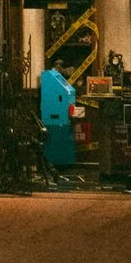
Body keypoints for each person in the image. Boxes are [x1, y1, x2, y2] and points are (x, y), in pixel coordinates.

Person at [38, 52, 79, 180]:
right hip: (56, 117)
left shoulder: (52, 79)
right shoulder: (55, 79)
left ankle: (60, 164)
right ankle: (60, 164)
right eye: (58, 64)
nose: (60, 67)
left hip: (57, 116)